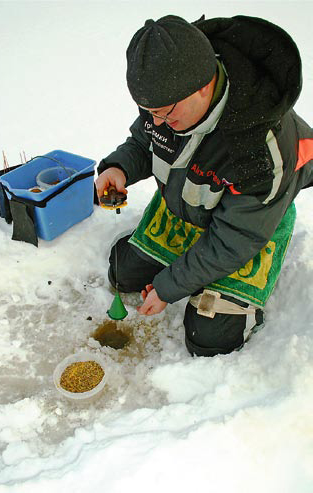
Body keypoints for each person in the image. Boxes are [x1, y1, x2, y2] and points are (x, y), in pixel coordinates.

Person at [96, 15, 313, 357]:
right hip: (192, 199)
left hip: (250, 225)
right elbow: (144, 140)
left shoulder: (261, 148)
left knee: (208, 336)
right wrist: (119, 168)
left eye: (164, 113)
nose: (156, 121)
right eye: (147, 111)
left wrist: (169, 286)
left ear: (202, 85)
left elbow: (233, 241)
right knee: (123, 273)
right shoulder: (168, 99)